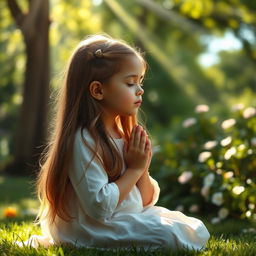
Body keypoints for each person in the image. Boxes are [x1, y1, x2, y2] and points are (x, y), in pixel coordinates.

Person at [19, 34, 210, 251]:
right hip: (93, 227)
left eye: (140, 81)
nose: (140, 89)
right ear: (98, 90)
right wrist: (134, 169)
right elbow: (99, 207)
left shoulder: (123, 134)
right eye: (130, 83)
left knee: (192, 227)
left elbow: (147, 201)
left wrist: (142, 169)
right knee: (171, 236)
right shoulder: (83, 140)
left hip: (123, 217)